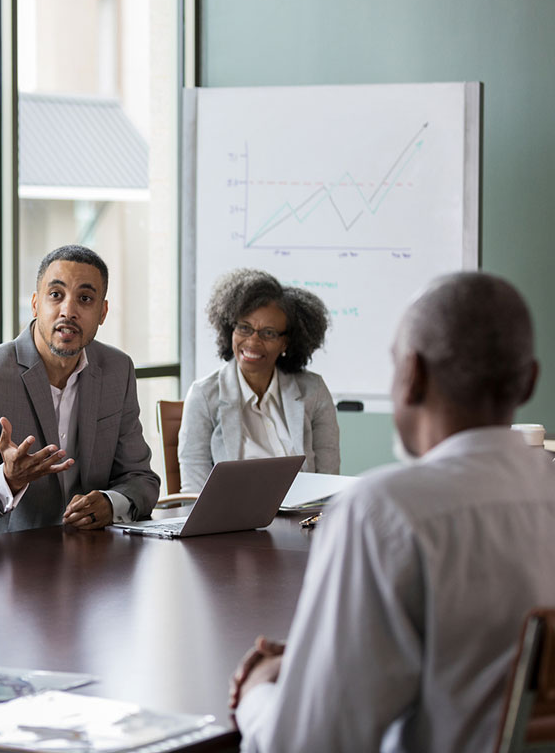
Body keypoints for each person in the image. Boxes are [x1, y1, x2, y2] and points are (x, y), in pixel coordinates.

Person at [229, 272, 555, 753]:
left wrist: (257, 691)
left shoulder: (385, 512)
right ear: (528, 380)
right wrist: (311, 662)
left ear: (412, 374)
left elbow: (306, 745)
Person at [0, 244, 160, 538]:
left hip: (87, 559)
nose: (69, 311)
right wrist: (8, 479)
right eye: (56, 295)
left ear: (103, 312)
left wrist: (110, 504)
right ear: (35, 304)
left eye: (85, 299)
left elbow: (141, 480)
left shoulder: (117, 370)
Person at [178, 268, 339, 491]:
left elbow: (329, 481)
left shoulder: (314, 390)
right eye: (245, 328)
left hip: (302, 521)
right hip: (231, 520)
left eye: (269, 333)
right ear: (230, 329)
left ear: (286, 342)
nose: (253, 341)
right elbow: (194, 491)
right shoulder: (204, 395)